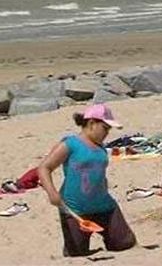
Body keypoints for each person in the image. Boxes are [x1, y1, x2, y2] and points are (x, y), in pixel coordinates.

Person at [38, 104, 136, 257]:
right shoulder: (70, 144)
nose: (107, 133)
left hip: (105, 207)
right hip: (75, 209)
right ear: (91, 124)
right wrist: (52, 193)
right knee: (77, 253)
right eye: (105, 128)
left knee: (124, 243)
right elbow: (44, 168)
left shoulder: (101, 148)